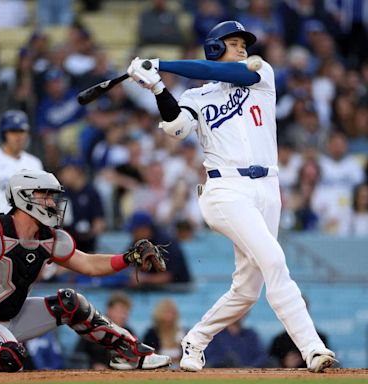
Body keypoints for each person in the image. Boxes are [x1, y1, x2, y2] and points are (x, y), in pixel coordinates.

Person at [126, 20, 336, 373]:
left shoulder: (259, 72)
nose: (242, 48)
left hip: (268, 187)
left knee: (247, 291)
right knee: (273, 259)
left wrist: (162, 65)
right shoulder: (197, 95)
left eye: (243, 43)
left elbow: (217, 70)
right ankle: (313, 349)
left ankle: (195, 339)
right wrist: (158, 87)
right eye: (234, 42)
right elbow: (176, 127)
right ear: (213, 47)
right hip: (225, 190)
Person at [0, 169, 171, 373]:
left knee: (70, 303)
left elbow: (88, 264)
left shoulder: (50, 238)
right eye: (46, 195)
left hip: (11, 317)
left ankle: (133, 354)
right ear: (24, 197)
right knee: (11, 356)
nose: (53, 203)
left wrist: (129, 257)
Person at [74, 292, 134, 369]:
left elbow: (134, 357)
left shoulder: (128, 333)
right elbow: (79, 355)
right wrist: (93, 365)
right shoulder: (92, 329)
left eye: (126, 313)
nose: (123, 316)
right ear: (109, 310)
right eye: (120, 311)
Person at [205, 316, 271, 368]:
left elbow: (262, 356)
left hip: (249, 374)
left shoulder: (250, 334)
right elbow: (209, 358)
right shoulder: (216, 335)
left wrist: (251, 367)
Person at [142, 298, 186, 368]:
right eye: (166, 312)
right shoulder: (151, 334)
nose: (169, 316)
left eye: (172, 312)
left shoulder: (183, 333)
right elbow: (148, 356)